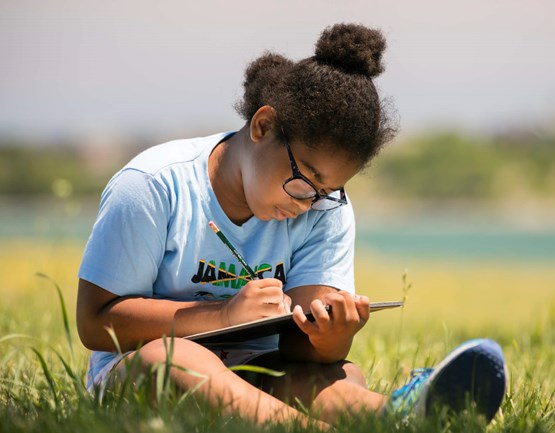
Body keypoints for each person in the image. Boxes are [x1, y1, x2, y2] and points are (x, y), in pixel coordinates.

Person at [76, 23, 506, 428]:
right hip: (144, 372)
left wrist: (331, 337)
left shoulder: (326, 209)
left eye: (327, 191)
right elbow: (95, 322)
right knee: (175, 361)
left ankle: (403, 416)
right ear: (263, 126)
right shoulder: (154, 185)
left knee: (339, 378)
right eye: (305, 182)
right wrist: (221, 315)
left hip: (261, 374)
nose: (308, 206)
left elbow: (302, 350)